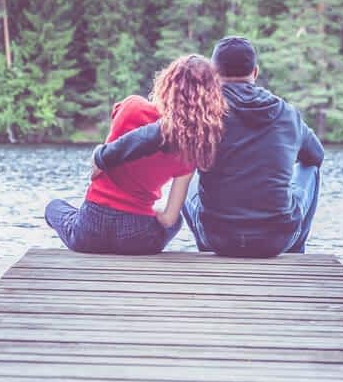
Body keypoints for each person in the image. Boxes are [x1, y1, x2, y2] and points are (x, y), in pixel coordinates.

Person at [92, 36, 323, 258]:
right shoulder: (287, 114)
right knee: (310, 169)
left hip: (218, 239)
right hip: (275, 240)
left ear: (214, 73)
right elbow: (316, 155)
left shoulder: (203, 114)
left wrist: (102, 157)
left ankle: (206, 250)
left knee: (188, 174)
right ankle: (296, 250)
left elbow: (144, 137)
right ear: (255, 72)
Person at [45, 55, 226, 255]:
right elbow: (168, 219)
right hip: (136, 237)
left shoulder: (132, 106)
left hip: (90, 228)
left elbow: (98, 168)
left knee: (54, 207)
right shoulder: (190, 149)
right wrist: (151, 214)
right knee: (177, 222)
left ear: (166, 83)